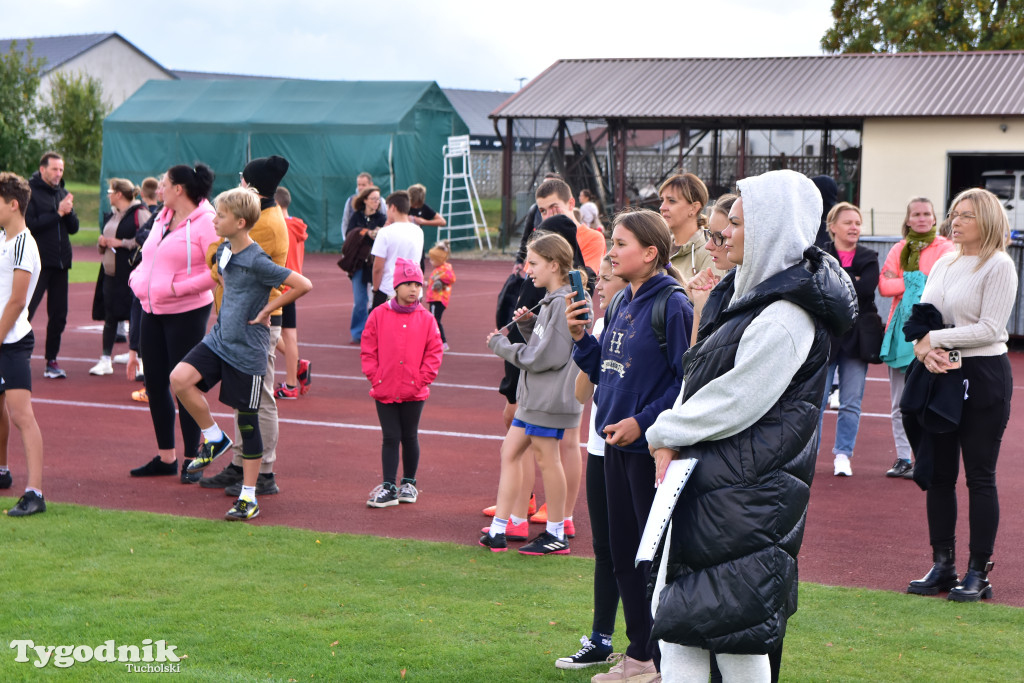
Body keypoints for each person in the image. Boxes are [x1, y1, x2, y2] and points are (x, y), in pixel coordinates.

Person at [644, 170, 856, 682]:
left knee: (734, 639)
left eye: (734, 225)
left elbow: (737, 398)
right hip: (722, 487)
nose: (722, 235)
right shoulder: (744, 296)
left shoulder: (786, 315)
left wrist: (664, 431)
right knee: (685, 632)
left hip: (747, 498)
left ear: (771, 228)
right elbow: (701, 377)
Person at [567, 209, 693, 682]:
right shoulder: (621, 303)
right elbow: (605, 372)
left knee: (650, 561)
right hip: (614, 448)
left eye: (620, 244)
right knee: (621, 553)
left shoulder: (673, 305)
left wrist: (642, 423)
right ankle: (638, 656)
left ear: (650, 253)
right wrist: (581, 338)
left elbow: (685, 383)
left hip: (649, 453)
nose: (611, 251)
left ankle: (656, 660)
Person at [171, 187, 312, 521]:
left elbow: (303, 284)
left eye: (220, 216)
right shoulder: (223, 250)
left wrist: (268, 310)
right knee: (179, 379)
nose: (215, 220)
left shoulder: (258, 260)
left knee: (248, 426)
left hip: (248, 352)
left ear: (240, 222)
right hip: (219, 341)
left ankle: (249, 497)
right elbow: (221, 277)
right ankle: (214, 438)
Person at [905, 188, 1016, 602]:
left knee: (980, 476)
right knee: (940, 473)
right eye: (953, 213)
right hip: (942, 372)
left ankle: (978, 572)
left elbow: (989, 328)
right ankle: (943, 564)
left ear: (986, 220)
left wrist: (935, 339)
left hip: (984, 376)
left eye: (965, 215)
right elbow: (923, 316)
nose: (955, 221)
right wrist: (923, 348)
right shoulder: (946, 261)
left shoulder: (1000, 265)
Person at [482, 232, 584, 555]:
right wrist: (527, 327)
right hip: (534, 399)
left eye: (534, 262)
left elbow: (547, 357)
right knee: (509, 452)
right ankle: (500, 528)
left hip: (548, 399)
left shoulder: (565, 302)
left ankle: (556, 532)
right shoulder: (552, 300)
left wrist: (503, 346)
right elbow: (546, 342)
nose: (528, 269)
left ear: (554, 265)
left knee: (546, 458)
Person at [200, 155, 291, 499]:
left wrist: (215, 255)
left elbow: (219, 261)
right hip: (241, 318)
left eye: (242, 178)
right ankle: (241, 462)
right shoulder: (263, 217)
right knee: (245, 399)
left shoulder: (265, 223)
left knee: (260, 398)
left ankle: (263, 469)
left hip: (256, 321)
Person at [555, 253, 627, 670]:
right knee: (604, 548)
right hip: (600, 447)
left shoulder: (656, 312)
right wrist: (586, 342)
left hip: (634, 448)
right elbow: (583, 395)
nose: (597, 286)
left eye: (604, 278)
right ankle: (601, 638)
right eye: (596, 279)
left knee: (634, 550)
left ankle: (644, 647)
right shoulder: (600, 324)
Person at [127, 164, 219, 482]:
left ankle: (193, 458)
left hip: (187, 311)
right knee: (154, 383)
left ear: (179, 189)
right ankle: (166, 457)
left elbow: (216, 271)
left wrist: (177, 288)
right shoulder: (162, 217)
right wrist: (137, 279)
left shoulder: (208, 222)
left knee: (183, 385)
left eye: (164, 184)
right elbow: (149, 256)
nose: (159, 189)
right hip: (151, 308)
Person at [878, 198, 953, 479]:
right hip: (900, 333)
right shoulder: (898, 248)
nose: (921, 219)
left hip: (934, 331)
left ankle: (927, 457)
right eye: (916, 214)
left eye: (926, 214)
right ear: (908, 220)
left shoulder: (946, 248)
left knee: (933, 399)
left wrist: (911, 281)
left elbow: (946, 282)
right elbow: (885, 285)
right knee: (900, 401)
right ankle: (902, 458)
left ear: (934, 219)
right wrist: (916, 281)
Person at [361, 258, 443, 507]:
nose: (413, 290)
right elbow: (368, 349)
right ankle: (388, 486)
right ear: (395, 286)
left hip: (414, 390)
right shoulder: (378, 315)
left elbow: (434, 351)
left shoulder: (427, 319)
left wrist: (421, 379)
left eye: (417, 284)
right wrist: (376, 377)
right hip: (384, 388)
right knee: (390, 437)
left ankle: (409, 483)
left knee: (409, 436)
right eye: (407, 284)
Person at [821, 202, 879, 478]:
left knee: (851, 402)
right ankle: (808, 454)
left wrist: (839, 280)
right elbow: (817, 288)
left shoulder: (869, 256)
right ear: (833, 227)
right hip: (826, 336)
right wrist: (851, 279)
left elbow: (867, 289)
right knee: (816, 401)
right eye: (848, 222)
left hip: (857, 339)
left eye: (857, 222)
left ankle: (843, 455)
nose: (855, 227)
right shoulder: (820, 254)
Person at [0, 173, 46, 516]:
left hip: (11, 341)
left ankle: (35, 493)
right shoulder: (4, 239)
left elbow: (16, 301)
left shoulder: (23, 244)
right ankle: (2, 471)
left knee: (21, 415)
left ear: (13, 204)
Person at [25, 152, 79, 379]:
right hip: (37, 264)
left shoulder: (63, 193)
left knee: (59, 315)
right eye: (55, 169)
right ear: (42, 169)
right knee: (24, 311)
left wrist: (68, 212)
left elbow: (74, 228)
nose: (58, 174)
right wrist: (58, 213)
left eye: (61, 170)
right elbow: (30, 225)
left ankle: (52, 361)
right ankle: (12, 355)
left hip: (61, 264)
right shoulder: (30, 193)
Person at [89, 178, 150, 376]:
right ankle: (105, 359)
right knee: (110, 315)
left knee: (135, 315)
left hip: (130, 272)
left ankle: (138, 356)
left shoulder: (140, 213)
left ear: (119, 194)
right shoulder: (114, 215)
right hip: (110, 272)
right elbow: (107, 242)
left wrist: (121, 242)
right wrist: (102, 242)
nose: (108, 195)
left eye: (110, 191)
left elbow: (147, 238)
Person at [272, 186, 312, 399]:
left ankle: (291, 382)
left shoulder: (280, 227)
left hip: (280, 287)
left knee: (267, 330)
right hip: (292, 285)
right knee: (287, 335)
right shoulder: (296, 226)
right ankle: (296, 367)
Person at [685, 194, 738, 347]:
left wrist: (707, 311)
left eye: (719, 236)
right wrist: (699, 308)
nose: (708, 245)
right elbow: (693, 364)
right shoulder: (728, 287)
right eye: (709, 234)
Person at [535, 178, 605, 274]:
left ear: (571, 204)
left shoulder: (593, 238)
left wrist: (562, 234)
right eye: (543, 211)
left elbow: (583, 281)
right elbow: (532, 279)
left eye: (554, 208)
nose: (548, 216)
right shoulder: (540, 239)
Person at [344, 185, 386, 342]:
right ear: (365, 200)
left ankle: (376, 332)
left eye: (378, 200)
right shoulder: (357, 216)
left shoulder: (382, 218)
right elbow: (349, 234)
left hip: (376, 262)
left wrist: (379, 233)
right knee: (360, 301)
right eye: (373, 199)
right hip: (358, 263)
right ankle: (358, 333)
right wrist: (366, 232)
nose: (376, 202)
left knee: (379, 299)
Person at [371, 191, 424, 309]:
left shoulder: (385, 233)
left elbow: (377, 267)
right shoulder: (418, 231)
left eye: (388, 208)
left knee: (381, 326)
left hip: (389, 290)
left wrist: (375, 290)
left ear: (393, 207)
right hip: (413, 291)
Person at [659, 173, 716, 282]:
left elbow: (710, 298)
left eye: (671, 201)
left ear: (694, 208)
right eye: (662, 200)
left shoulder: (709, 252)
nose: (662, 207)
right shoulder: (659, 249)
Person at [425, 240, 455, 351]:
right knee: (434, 320)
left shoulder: (444, 270)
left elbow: (451, 278)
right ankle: (437, 341)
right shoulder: (439, 270)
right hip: (435, 298)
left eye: (432, 260)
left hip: (438, 299)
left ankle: (441, 342)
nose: (430, 261)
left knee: (434, 320)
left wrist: (439, 279)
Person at [341, 172, 387, 240]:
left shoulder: (381, 215)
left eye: (363, 185)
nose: (360, 187)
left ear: (371, 184)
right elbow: (346, 223)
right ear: (365, 200)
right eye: (359, 185)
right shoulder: (354, 210)